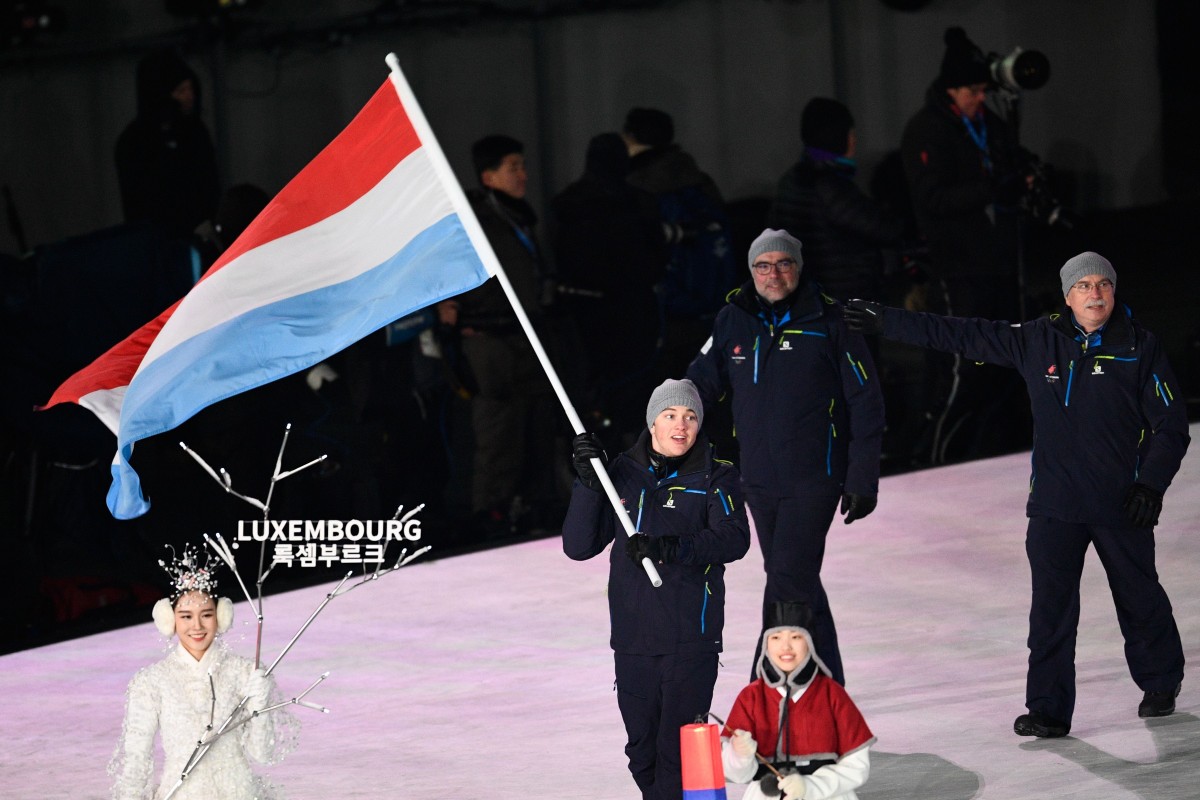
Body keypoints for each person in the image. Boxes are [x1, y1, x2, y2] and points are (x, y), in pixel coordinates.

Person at [844, 251, 1189, 737]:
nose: (1095, 294)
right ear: (1067, 296)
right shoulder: (1037, 339)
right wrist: (888, 321)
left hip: (1120, 503)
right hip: (1054, 505)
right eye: (1084, 286)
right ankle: (1048, 709)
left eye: (1103, 285)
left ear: (1114, 291)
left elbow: (1171, 426)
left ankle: (1160, 682)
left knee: (1139, 596)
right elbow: (960, 333)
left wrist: (1150, 485)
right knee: (1050, 611)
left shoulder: (1139, 347)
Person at [686, 229, 885, 686]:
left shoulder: (831, 321)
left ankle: (766, 690)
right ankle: (829, 688)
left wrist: (862, 477)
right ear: (751, 271)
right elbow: (700, 383)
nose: (773, 274)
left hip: (815, 478)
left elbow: (867, 403)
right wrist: (663, 414)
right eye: (763, 265)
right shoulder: (732, 320)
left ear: (798, 267)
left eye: (783, 264)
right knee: (794, 578)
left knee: (787, 586)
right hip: (758, 478)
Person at [562, 378, 750, 800]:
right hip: (633, 639)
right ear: (652, 423)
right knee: (641, 751)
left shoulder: (717, 477)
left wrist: (670, 547)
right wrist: (589, 484)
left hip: (690, 639)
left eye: (689, 416)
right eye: (670, 415)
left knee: (676, 755)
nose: (680, 425)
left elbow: (734, 539)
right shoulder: (621, 476)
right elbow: (578, 547)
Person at [899, 26, 1029, 463]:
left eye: (983, 89)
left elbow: (1008, 168)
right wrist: (991, 188)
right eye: (972, 90)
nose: (979, 98)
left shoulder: (987, 123)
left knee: (1007, 370)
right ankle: (931, 463)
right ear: (952, 89)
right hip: (958, 269)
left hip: (998, 264)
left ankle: (994, 456)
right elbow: (931, 199)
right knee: (960, 376)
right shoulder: (926, 130)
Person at [439, 134, 558, 535]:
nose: (523, 175)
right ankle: (489, 513)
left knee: (535, 424)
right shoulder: (474, 220)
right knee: (498, 429)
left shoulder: (517, 215)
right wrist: (452, 313)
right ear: (488, 176)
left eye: (523, 165)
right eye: (513, 168)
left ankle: (532, 506)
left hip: (525, 334)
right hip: (490, 337)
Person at [110, 546, 297, 799]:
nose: (196, 626)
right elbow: (137, 757)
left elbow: (262, 754)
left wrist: (259, 705)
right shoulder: (151, 681)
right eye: (186, 616)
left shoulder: (245, 672)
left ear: (221, 616)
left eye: (206, 615)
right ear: (169, 619)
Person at [551, 131, 667, 442]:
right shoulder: (639, 204)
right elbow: (656, 262)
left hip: (580, 319)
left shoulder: (565, 205)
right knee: (631, 400)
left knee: (586, 399)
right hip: (632, 318)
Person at [623, 107, 738, 380]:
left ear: (631, 137)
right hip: (712, 309)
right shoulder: (698, 179)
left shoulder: (635, 188)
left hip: (664, 315)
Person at [721, 600, 874, 800]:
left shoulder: (833, 695)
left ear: (810, 643)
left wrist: (811, 787)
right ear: (766, 644)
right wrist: (739, 755)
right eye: (776, 637)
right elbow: (737, 774)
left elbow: (857, 767)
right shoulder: (751, 697)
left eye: (796, 637)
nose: (786, 646)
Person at [768, 97, 904, 305]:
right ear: (840, 138)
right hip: (842, 304)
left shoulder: (790, 181)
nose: (855, 140)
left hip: (804, 300)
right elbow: (886, 229)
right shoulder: (832, 188)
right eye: (851, 133)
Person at [115, 48, 220, 239]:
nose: (189, 96)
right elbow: (139, 200)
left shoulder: (195, 132)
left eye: (190, 89)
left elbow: (209, 183)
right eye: (181, 91)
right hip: (157, 240)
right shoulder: (134, 141)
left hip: (198, 235)